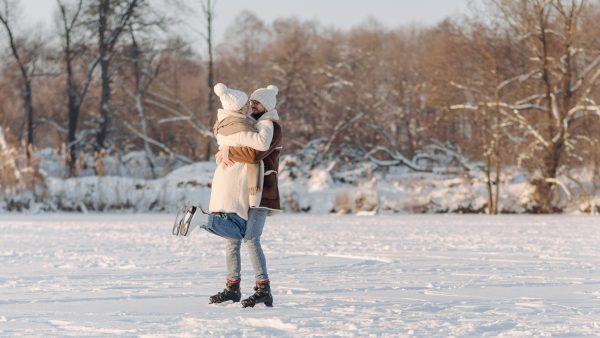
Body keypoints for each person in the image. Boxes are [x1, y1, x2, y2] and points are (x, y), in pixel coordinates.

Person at [173, 83, 283, 308]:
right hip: (249, 188)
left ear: (268, 105)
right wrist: (223, 151)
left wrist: (228, 151)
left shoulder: (270, 125)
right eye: (250, 102)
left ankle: (264, 290)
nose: (252, 105)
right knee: (233, 240)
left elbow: (254, 154)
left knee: (250, 238)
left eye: (256, 102)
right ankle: (232, 288)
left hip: (262, 191)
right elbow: (243, 143)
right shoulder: (252, 124)